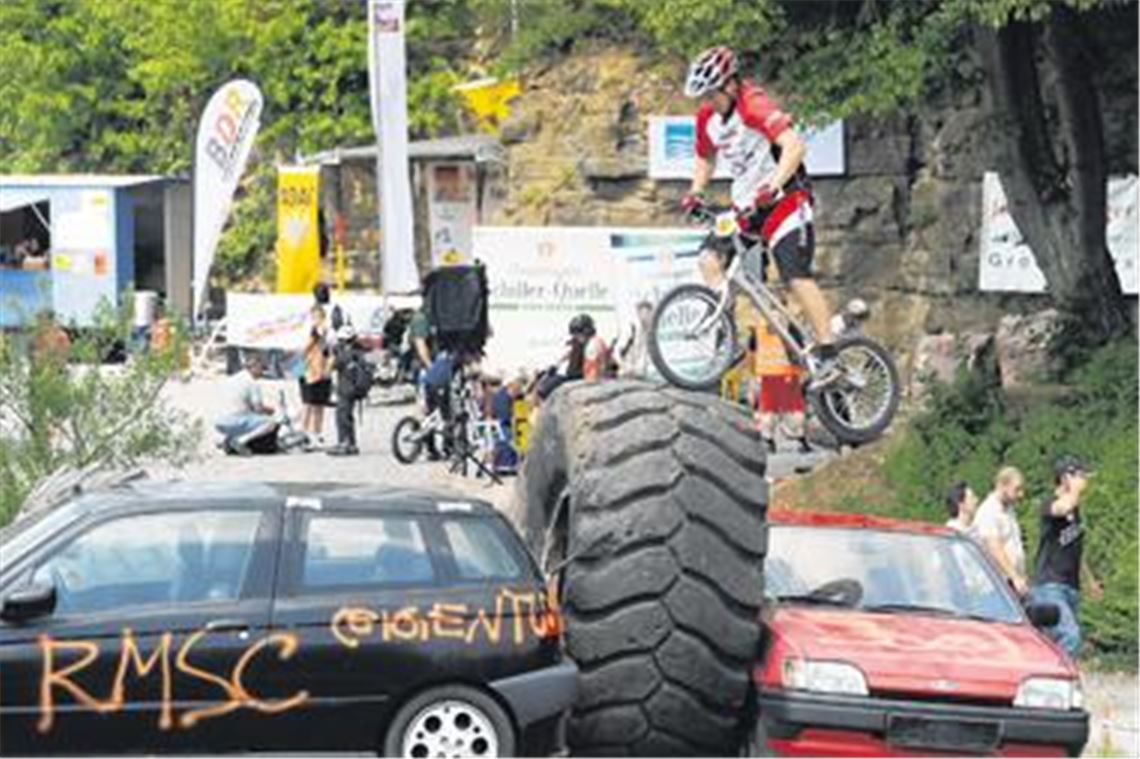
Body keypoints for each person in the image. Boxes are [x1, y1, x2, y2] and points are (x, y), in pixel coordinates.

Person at [680, 45, 837, 387]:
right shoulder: (708, 118)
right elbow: (705, 158)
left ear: (731, 84)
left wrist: (773, 185)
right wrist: (695, 191)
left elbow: (794, 145)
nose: (707, 102)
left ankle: (828, 352)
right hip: (747, 207)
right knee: (709, 259)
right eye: (703, 96)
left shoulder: (754, 104)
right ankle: (726, 335)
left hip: (785, 201)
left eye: (711, 94)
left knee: (793, 274)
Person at [1028, 457, 1097, 657]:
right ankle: (1052, 677)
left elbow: (1076, 546)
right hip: (1050, 585)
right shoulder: (1048, 503)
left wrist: (1089, 580)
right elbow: (1061, 508)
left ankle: (1054, 680)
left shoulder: (1075, 510)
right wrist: (1073, 489)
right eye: (1080, 476)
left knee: (1055, 642)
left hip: (1071, 587)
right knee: (1070, 636)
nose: (1084, 482)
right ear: (1066, 478)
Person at [749, 317, 809, 454]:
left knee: (769, 412)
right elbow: (801, 351)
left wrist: (753, 375)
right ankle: (798, 441)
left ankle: (768, 442)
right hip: (787, 375)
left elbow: (751, 352)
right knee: (794, 411)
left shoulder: (759, 327)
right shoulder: (790, 326)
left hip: (769, 374)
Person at [974, 466, 1028, 596]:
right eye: (1016, 489)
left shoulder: (1009, 511)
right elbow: (994, 547)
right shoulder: (989, 511)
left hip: (1009, 583)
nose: (1020, 494)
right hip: (994, 585)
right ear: (1003, 486)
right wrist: (1014, 576)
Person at [215, 354, 277, 456]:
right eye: (261, 368)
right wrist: (271, 410)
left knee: (246, 418)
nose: (262, 372)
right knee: (270, 423)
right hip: (234, 420)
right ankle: (241, 441)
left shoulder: (233, 379)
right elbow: (258, 409)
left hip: (219, 421)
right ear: (254, 367)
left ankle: (225, 441)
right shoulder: (252, 383)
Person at [328, 324, 362, 456]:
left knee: (341, 415)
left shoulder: (344, 355)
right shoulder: (358, 353)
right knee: (348, 415)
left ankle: (344, 442)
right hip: (355, 388)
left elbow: (329, 368)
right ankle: (351, 443)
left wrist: (332, 354)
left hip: (345, 388)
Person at [300, 304, 331, 446]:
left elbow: (329, 350)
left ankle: (317, 434)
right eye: (314, 317)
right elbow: (304, 350)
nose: (316, 319)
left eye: (319, 316)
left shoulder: (327, 331)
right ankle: (303, 433)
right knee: (307, 404)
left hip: (322, 372)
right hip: (310, 371)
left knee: (319, 405)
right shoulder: (314, 331)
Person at [616, 298, 654, 379]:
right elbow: (617, 353)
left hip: (642, 378)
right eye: (646, 313)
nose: (649, 316)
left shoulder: (648, 332)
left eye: (650, 313)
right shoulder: (631, 329)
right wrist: (627, 367)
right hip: (627, 377)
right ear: (639, 313)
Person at [566, 314, 608, 382]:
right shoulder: (598, 341)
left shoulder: (591, 346)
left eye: (576, 334)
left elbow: (592, 373)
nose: (575, 337)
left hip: (593, 383)